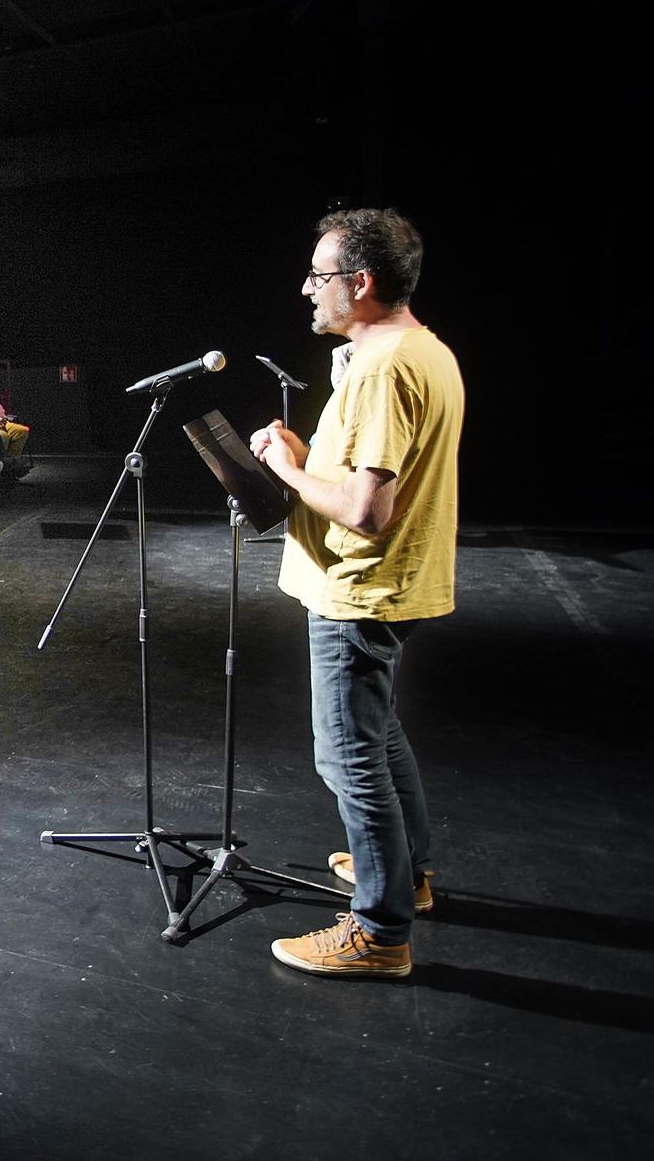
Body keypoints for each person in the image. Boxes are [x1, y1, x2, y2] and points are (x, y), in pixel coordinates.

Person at [251, 208, 463, 980]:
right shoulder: (422, 350)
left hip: (356, 588)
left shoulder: (381, 367)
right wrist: (307, 455)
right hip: (387, 584)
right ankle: (410, 875)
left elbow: (368, 513)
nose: (308, 289)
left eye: (320, 275)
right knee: (378, 737)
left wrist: (284, 470)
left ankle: (378, 928)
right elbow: (372, 480)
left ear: (361, 283)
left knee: (348, 758)